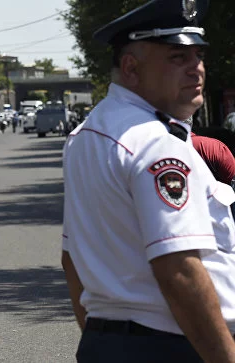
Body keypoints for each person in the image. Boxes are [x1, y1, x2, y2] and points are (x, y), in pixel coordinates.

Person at [61, 1, 235, 362]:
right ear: (131, 67)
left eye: (198, 55)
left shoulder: (86, 135)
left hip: (108, 343)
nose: (197, 69)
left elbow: (71, 259)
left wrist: (107, 341)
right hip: (175, 346)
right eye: (177, 57)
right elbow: (180, 271)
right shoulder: (156, 143)